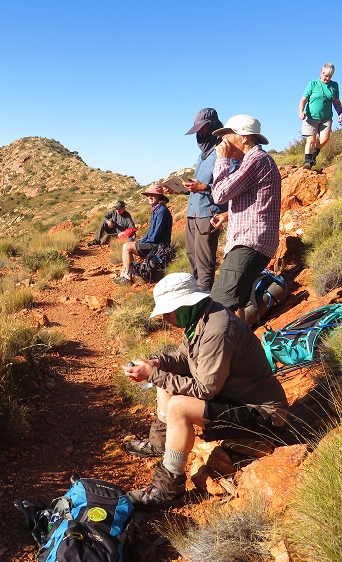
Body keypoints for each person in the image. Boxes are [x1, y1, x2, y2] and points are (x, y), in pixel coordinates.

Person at [122, 272, 288, 511]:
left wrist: (152, 374)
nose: (165, 318)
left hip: (263, 415)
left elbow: (205, 389)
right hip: (235, 397)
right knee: (166, 381)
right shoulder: (201, 317)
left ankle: (169, 489)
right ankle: (160, 444)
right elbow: (183, 358)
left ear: (185, 305)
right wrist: (157, 364)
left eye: (168, 312)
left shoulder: (217, 330)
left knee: (178, 407)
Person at [209, 115, 281, 323]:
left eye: (226, 135)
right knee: (237, 303)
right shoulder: (253, 162)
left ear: (245, 137)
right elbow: (257, 201)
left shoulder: (256, 160)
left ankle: (222, 353)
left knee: (219, 307)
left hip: (249, 243)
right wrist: (228, 215)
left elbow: (220, 194)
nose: (223, 142)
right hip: (251, 242)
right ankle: (241, 350)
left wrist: (221, 159)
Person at [180, 108, 230, 291]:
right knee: (192, 256)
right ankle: (196, 298)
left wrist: (204, 187)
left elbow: (228, 185)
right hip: (193, 212)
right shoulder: (203, 154)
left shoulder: (222, 151)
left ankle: (205, 301)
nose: (199, 134)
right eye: (197, 130)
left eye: (202, 129)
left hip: (208, 213)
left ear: (212, 126)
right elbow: (201, 184)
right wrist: (183, 189)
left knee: (204, 261)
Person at [113, 185, 173, 285]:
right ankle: (132, 274)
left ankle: (128, 277)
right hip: (155, 243)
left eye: (153, 195)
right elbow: (150, 232)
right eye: (149, 194)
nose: (149, 197)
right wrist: (141, 241)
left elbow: (157, 234)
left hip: (159, 246)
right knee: (130, 244)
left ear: (159, 197)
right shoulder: (156, 209)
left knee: (127, 247)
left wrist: (143, 242)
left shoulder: (161, 211)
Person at [299, 63, 342, 169]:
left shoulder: (334, 85)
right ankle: (307, 162)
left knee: (325, 139)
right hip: (310, 117)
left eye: (330, 76)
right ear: (321, 73)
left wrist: (341, 112)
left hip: (326, 118)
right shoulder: (312, 84)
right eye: (325, 75)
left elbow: (336, 101)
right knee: (311, 140)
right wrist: (301, 111)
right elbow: (303, 100)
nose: (327, 78)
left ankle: (314, 153)